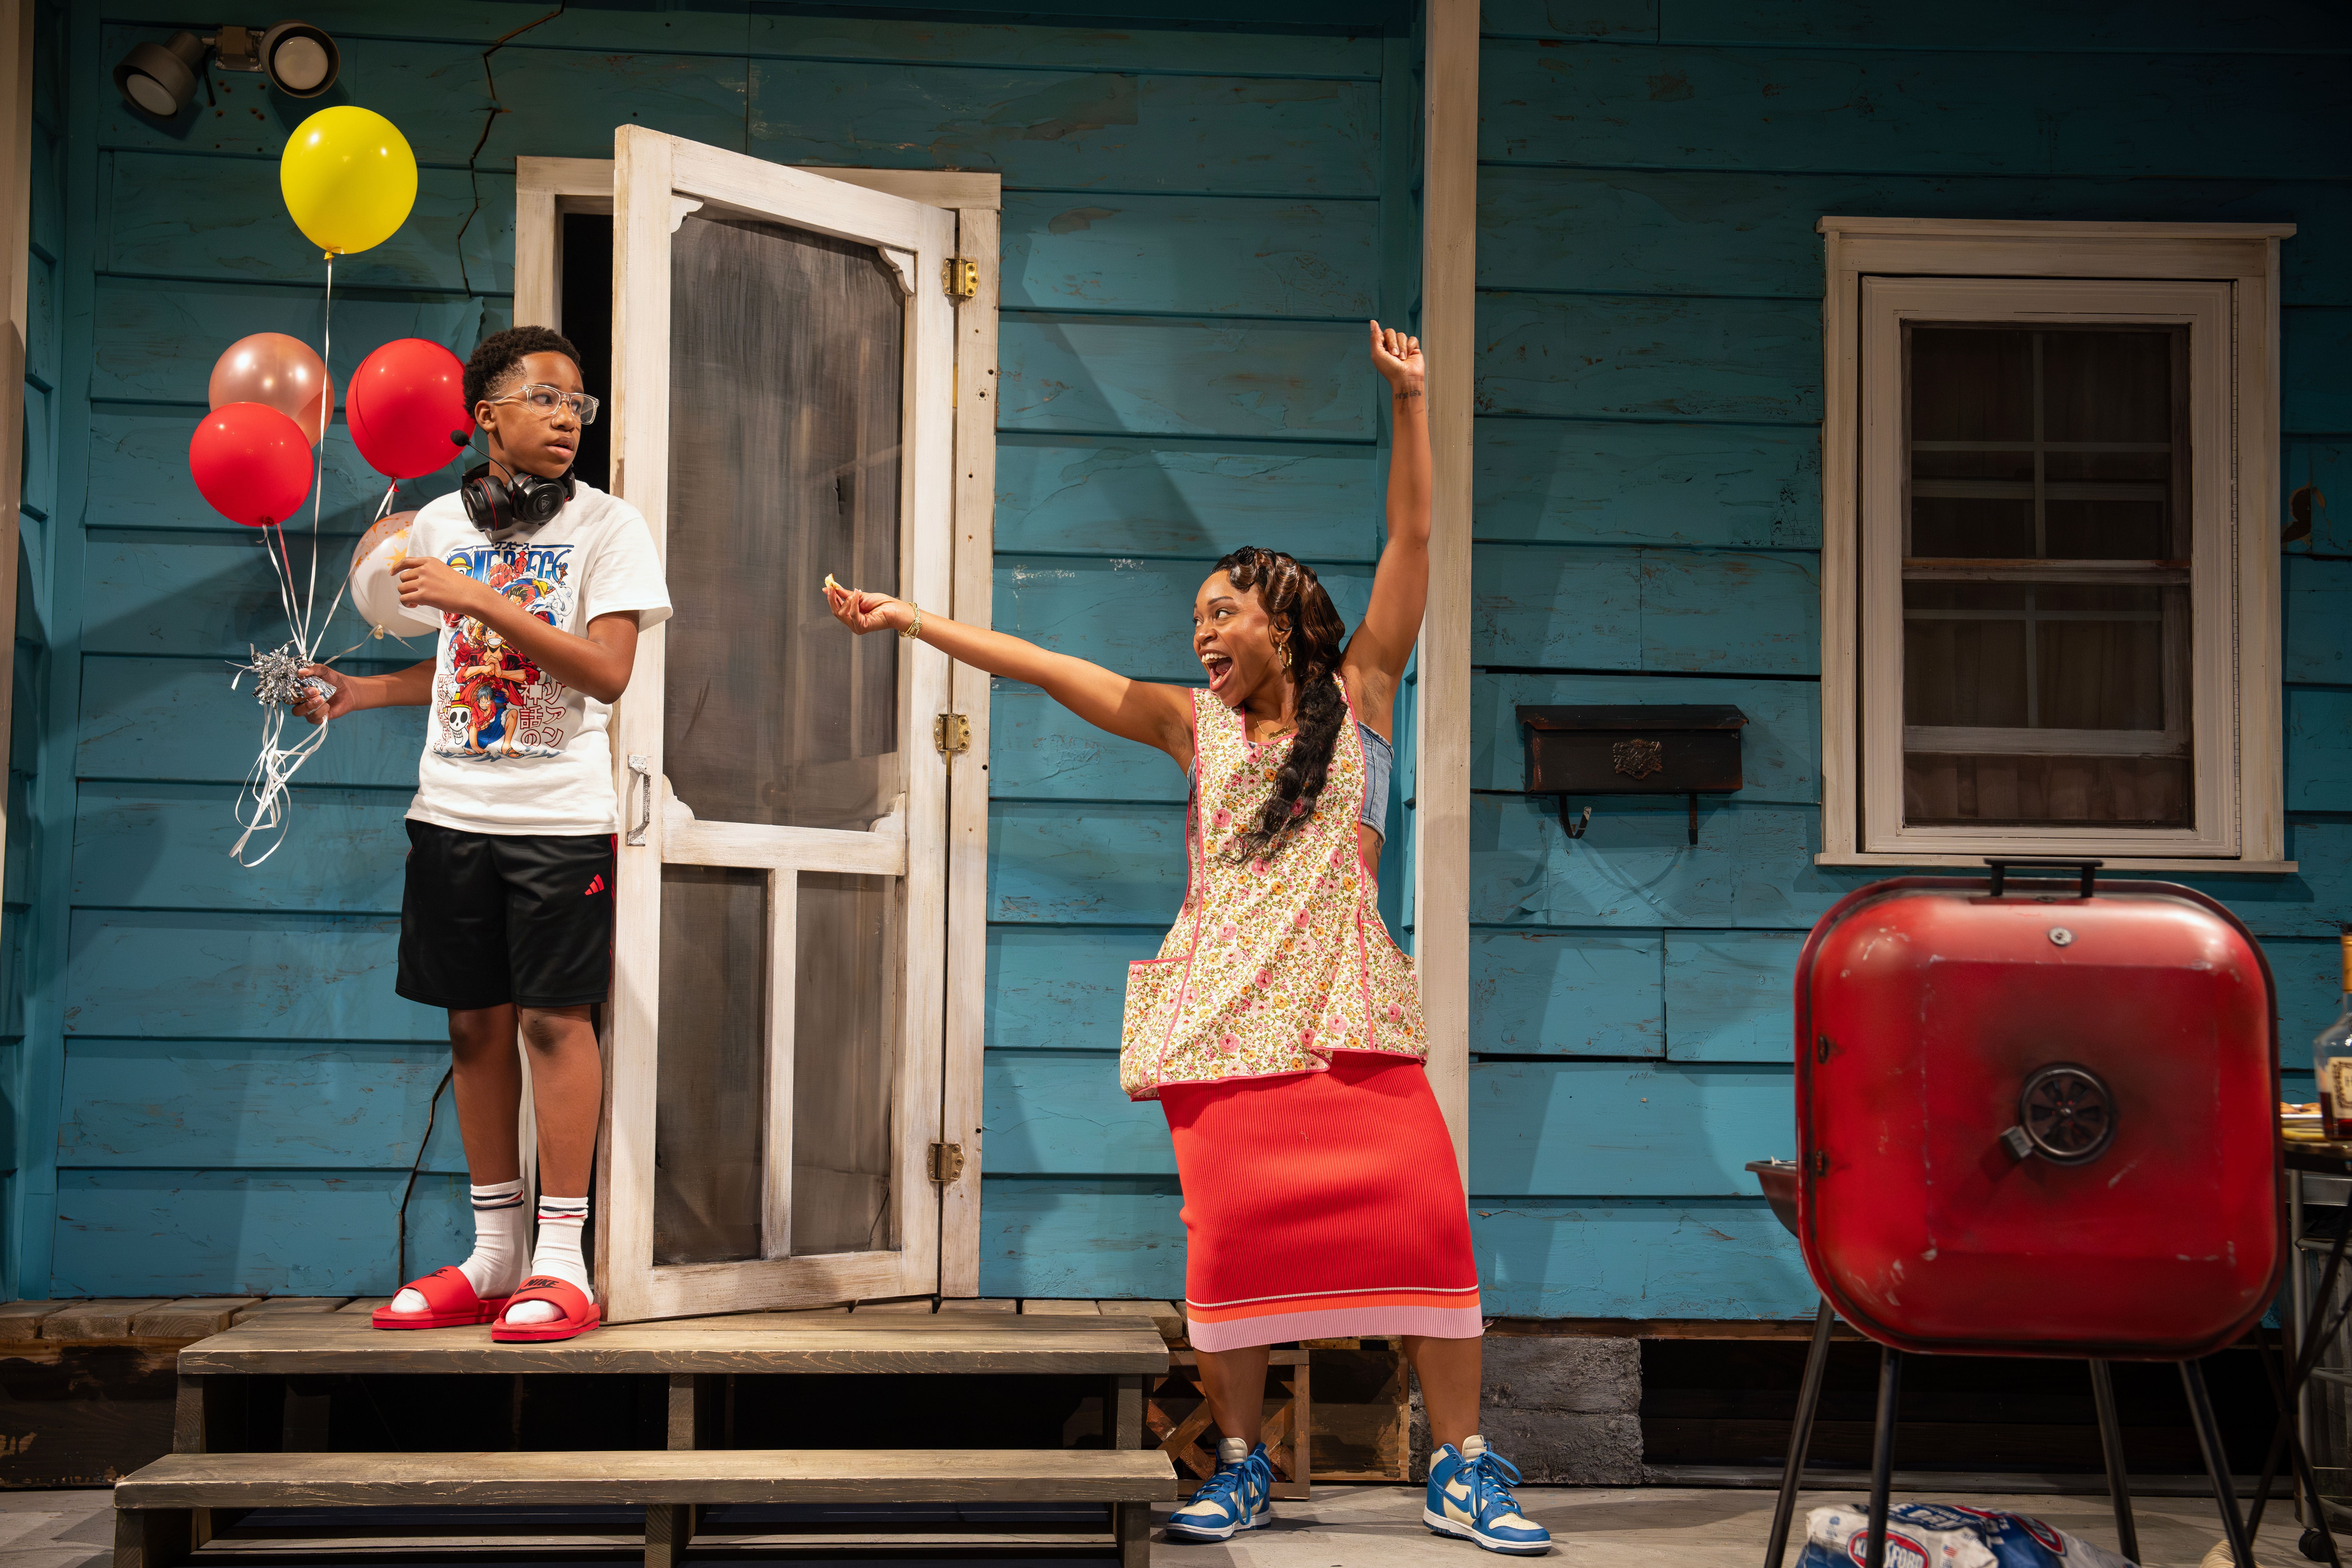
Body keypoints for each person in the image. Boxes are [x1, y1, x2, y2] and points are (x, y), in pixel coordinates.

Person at [824, 323, 1549, 1554]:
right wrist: (916, 622)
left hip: (1347, 1019)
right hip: (1222, 1025)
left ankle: (1465, 1468)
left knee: (1430, 1225)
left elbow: (1414, 543)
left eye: (1223, 612)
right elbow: (1049, 668)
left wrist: (1415, 404)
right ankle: (1245, 1463)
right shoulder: (1188, 728)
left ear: (1284, 615)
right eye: (1195, 619)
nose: (1203, 633)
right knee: (1234, 1256)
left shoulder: (1362, 696)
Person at [295, 325, 671, 1344]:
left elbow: (604, 673)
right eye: (545, 398)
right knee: (473, 1026)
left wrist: (481, 598)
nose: (566, 418)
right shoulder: (439, 527)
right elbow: (462, 670)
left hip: (558, 821)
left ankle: (562, 1261)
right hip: (451, 813)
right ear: (486, 417)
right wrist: (361, 690)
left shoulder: (610, 528)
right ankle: (494, 1252)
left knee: (555, 1022)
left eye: (579, 404)